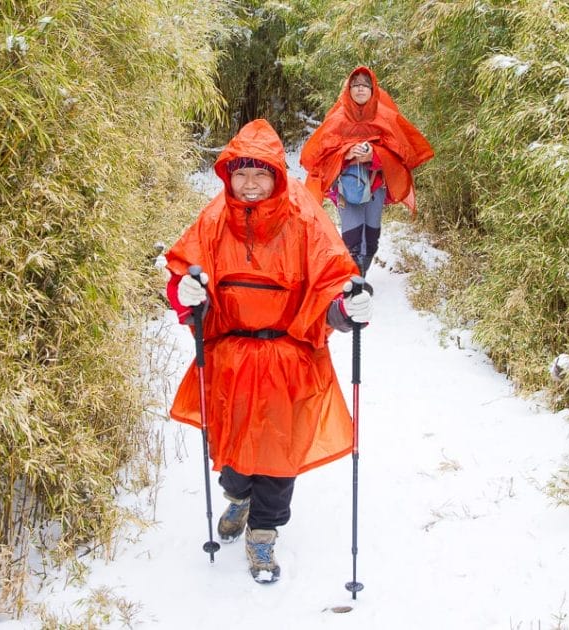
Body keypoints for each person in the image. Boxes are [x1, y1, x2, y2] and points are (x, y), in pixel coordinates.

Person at [164, 118, 373, 584]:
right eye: (241, 173)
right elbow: (182, 278)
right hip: (229, 359)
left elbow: (330, 285)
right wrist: (186, 294)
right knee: (233, 458)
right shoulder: (214, 219)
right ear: (227, 174)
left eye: (261, 173)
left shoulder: (304, 218)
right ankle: (238, 498)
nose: (251, 183)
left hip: (288, 360)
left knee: (278, 455)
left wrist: (348, 308)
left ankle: (263, 534)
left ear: (278, 174)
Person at [300, 66, 434, 276]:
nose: (360, 89)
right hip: (347, 187)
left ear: (373, 89)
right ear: (348, 89)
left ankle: (360, 273)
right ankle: (355, 283)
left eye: (365, 85)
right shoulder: (337, 119)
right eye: (356, 85)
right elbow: (318, 156)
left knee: (371, 239)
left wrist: (375, 156)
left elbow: (403, 153)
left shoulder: (385, 117)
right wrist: (346, 153)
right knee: (352, 237)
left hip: (376, 186)